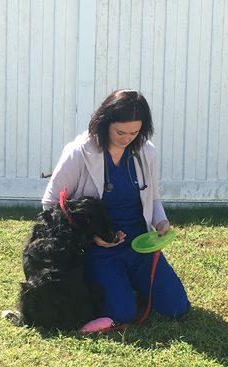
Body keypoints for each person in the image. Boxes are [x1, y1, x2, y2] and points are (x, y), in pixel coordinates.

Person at [42, 89, 190, 324]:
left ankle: (126, 283)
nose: (128, 138)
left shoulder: (146, 151)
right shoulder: (78, 152)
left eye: (135, 132)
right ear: (104, 122)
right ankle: (113, 284)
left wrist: (160, 222)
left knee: (177, 308)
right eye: (121, 132)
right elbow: (50, 204)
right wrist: (91, 237)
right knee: (121, 315)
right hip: (99, 247)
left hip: (141, 244)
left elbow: (152, 197)